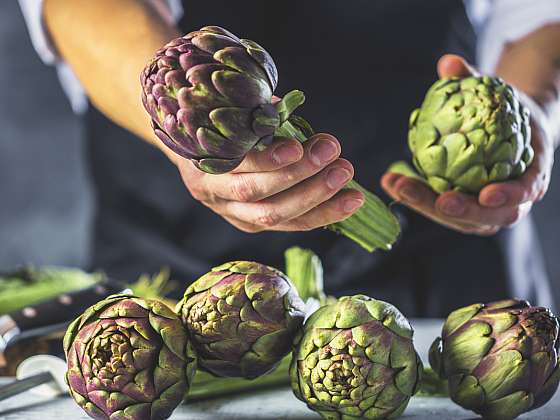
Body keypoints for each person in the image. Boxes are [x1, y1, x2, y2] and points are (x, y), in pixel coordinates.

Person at [18, 0, 560, 316]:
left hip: (446, 267)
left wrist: (530, 109)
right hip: (181, 269)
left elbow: (536, 14)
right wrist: (190, 133)